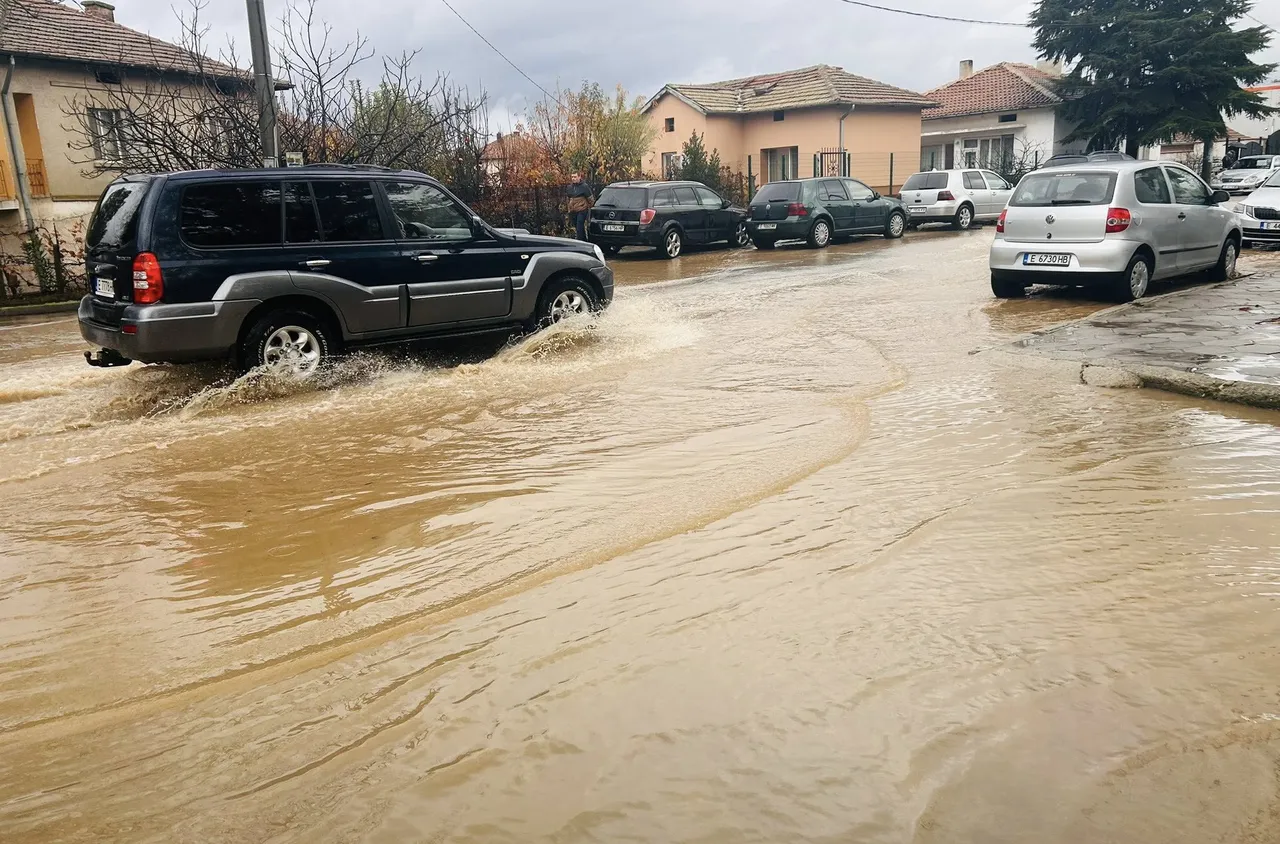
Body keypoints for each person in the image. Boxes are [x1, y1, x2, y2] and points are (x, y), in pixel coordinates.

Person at [567, 173, 594, 241]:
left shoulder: (584, 186)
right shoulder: (570, 187)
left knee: (579, 226)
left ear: (579, 177)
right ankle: (584, 240)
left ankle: (580, 241)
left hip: (582, 210)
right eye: (572, 177)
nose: (573, 178)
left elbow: (590, 198)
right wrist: (569, 209)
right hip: (573, 210)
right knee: (577, 227)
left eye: (575, 177)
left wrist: (590, 207)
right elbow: (568, 198)